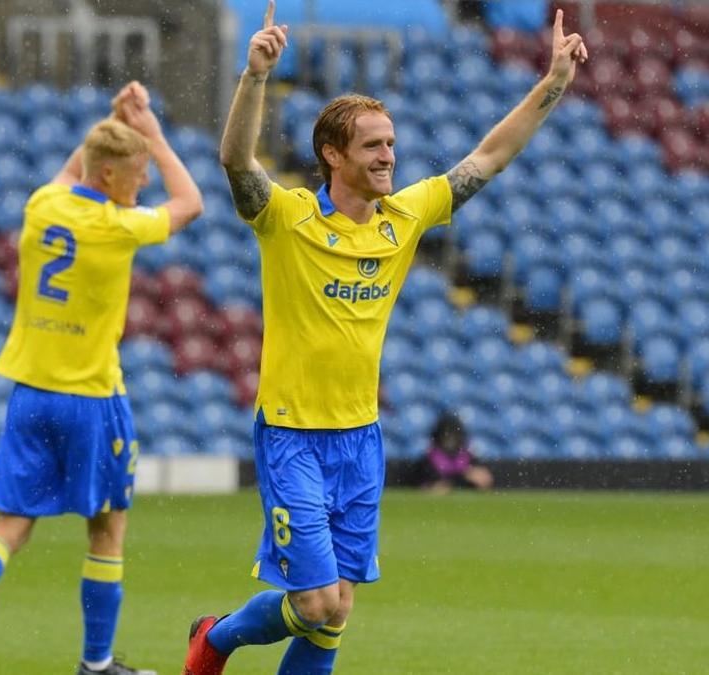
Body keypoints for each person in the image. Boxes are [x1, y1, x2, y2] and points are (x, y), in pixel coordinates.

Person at [182, 4, 586, 673]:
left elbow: (490, 155)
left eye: (390, 143)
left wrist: (553, 83)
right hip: (292, 435)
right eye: (373, 145)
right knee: (313, 603)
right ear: (332, 155)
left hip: (360, 437)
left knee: (336, 607)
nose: (388, 155)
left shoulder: (404, 216)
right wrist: (254, 78)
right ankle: (214, 640)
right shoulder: (287, 218)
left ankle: (216, 638)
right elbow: (234, 160)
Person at [0, 81, 203, 675]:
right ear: (109, 177)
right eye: (136, 173)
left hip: (30, 394)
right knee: (106, 530)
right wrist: (152, 132)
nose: (145, 182)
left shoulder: (41, 205)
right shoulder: (117, 225)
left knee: (10, 525)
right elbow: (190, 202)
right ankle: (96, 664)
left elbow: (75, 168)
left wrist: (114, 120)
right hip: (91, 398)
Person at [415, 412, 494, 493]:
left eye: (454, 436)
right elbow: (426, 484)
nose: (450, 440)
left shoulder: (468, 457)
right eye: (446, 435)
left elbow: (483, 479)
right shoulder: (429, 459)